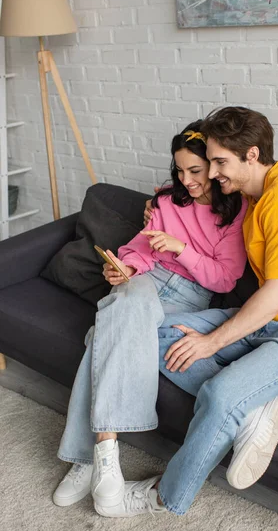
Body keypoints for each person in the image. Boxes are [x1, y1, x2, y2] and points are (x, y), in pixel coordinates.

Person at [95, 106, 278, 519]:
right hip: (261, 319)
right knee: (150, 333)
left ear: (251, 154)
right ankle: (252, 410)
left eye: (218, 162)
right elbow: (196, 220)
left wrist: (213, 341)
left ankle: (164, 497)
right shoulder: (254, 199)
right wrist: (157, 210)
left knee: (219, 394)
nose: (211, 174)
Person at [52, 120, 250, 509]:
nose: (187, 180)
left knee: (102, 336)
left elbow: (225, 280)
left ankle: (89, 459)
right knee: (122, 306)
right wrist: (123, 266)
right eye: (179, 170)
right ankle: (104, 463)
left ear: (213, 166)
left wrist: (181, 248)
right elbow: (140, 248)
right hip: (144, 282)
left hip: (189, 296)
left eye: (195, 171)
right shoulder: (164, 199)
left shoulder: (235, 212)